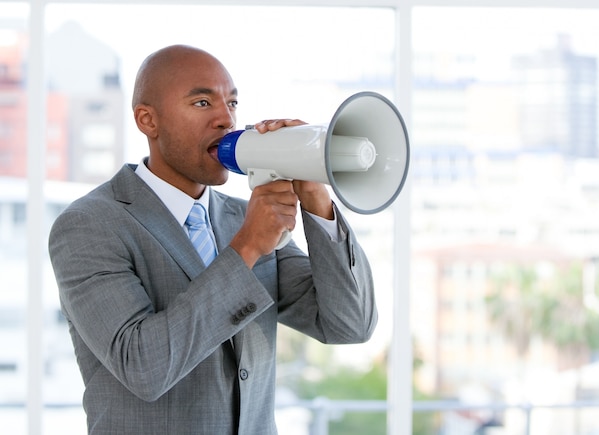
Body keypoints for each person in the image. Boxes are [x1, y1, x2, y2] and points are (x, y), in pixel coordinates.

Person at [48, 44, 378, 434]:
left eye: (233, 102)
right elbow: (144, 368)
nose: (226, 118)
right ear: (148, 120)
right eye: (203, 102)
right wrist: (247, 249)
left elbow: (349, 324)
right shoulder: (90, 224)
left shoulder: (246, 216)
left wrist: (316, 198)